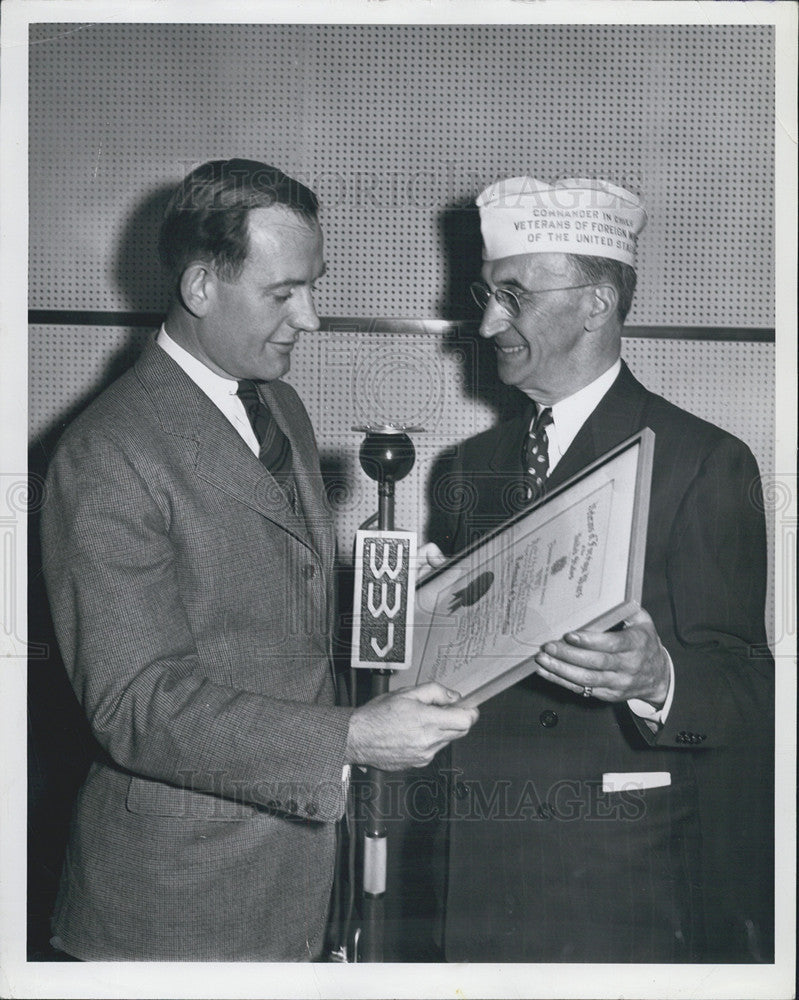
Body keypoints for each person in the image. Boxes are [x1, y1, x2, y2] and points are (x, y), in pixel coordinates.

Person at [39, 158, 478, 962]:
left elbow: (272, 610)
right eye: (282, 294)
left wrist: (396, 602)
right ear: (202, 287)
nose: (309, 318)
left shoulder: (275, 402)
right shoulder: (107, 454)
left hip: (297, 882)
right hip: (177, 908)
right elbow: (137, 705)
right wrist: (348, 739)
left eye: (312, 285)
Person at [416, 176, 774, 962]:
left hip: (614, 889)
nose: (484, 322)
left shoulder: (704, 462)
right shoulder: (463, 469)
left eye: (511, 295)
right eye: (485, 294)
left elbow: (750, 688)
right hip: (471, 874)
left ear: (595, 303)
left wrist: (657, 679)